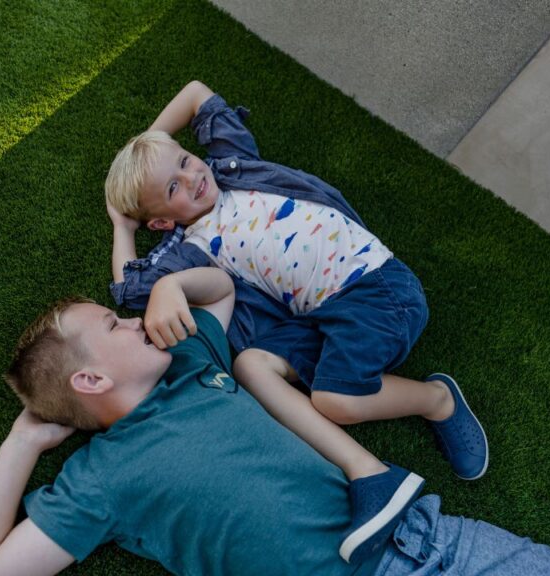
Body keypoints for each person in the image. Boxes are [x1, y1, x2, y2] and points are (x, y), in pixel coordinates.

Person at [0, 268, 550, 576]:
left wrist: (174, 286)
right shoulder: (99, 481)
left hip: (422, 539)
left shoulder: (191, 360)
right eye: (113, 324)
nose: (132, 318)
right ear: (91, 381)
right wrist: (22, 440)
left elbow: (224, 289)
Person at [104, 81, 488, 491]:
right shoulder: (192, 248)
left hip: (373, 286)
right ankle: (363, 450)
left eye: (184, 160)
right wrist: (121, 225)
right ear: (161, 223)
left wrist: (148, 145)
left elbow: (197, 94)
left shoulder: (232, 166)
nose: (191, 175)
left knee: (334, 402)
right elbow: (131, 285)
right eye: (173, 188)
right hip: (321, 319)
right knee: (250, 365)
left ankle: (436, 399)